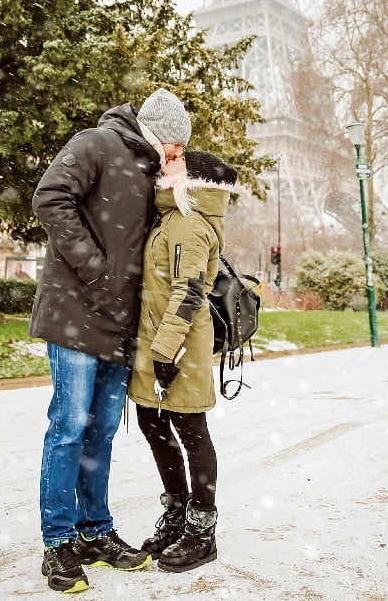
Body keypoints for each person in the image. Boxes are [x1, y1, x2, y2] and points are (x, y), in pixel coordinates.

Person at [29, 89, 191, 593]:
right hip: (77, 312)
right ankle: (58, 543)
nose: (178, 155)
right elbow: (49, 197)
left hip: (121, 323)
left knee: (99, 433)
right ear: (158, 132)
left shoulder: (153, 172)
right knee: (70, 426)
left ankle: (95, 532)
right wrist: (95, 269)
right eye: (176, 145)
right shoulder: (96, 143)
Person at [129, 150, 238, 573]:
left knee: (191, 429)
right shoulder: (171, 218)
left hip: (177, 349)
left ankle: (201, 529)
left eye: (172, 164)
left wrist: (165, 352)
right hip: (157, 343)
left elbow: (188, 292)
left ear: (190, 179)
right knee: (152, 423)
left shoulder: (190, 225)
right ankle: (176, 514)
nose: (162, 166)